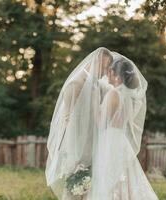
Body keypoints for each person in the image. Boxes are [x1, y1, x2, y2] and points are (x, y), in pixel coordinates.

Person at [45, 47, 159, 200]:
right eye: (105, 68)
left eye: (109, 70)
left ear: (117, 76)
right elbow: (70, 118)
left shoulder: (107, 90)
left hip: (106, 142)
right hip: (85, 143)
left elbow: (101, 119)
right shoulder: (77, 84)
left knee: (108, 180)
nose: (106, 73)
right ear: (97, 61)